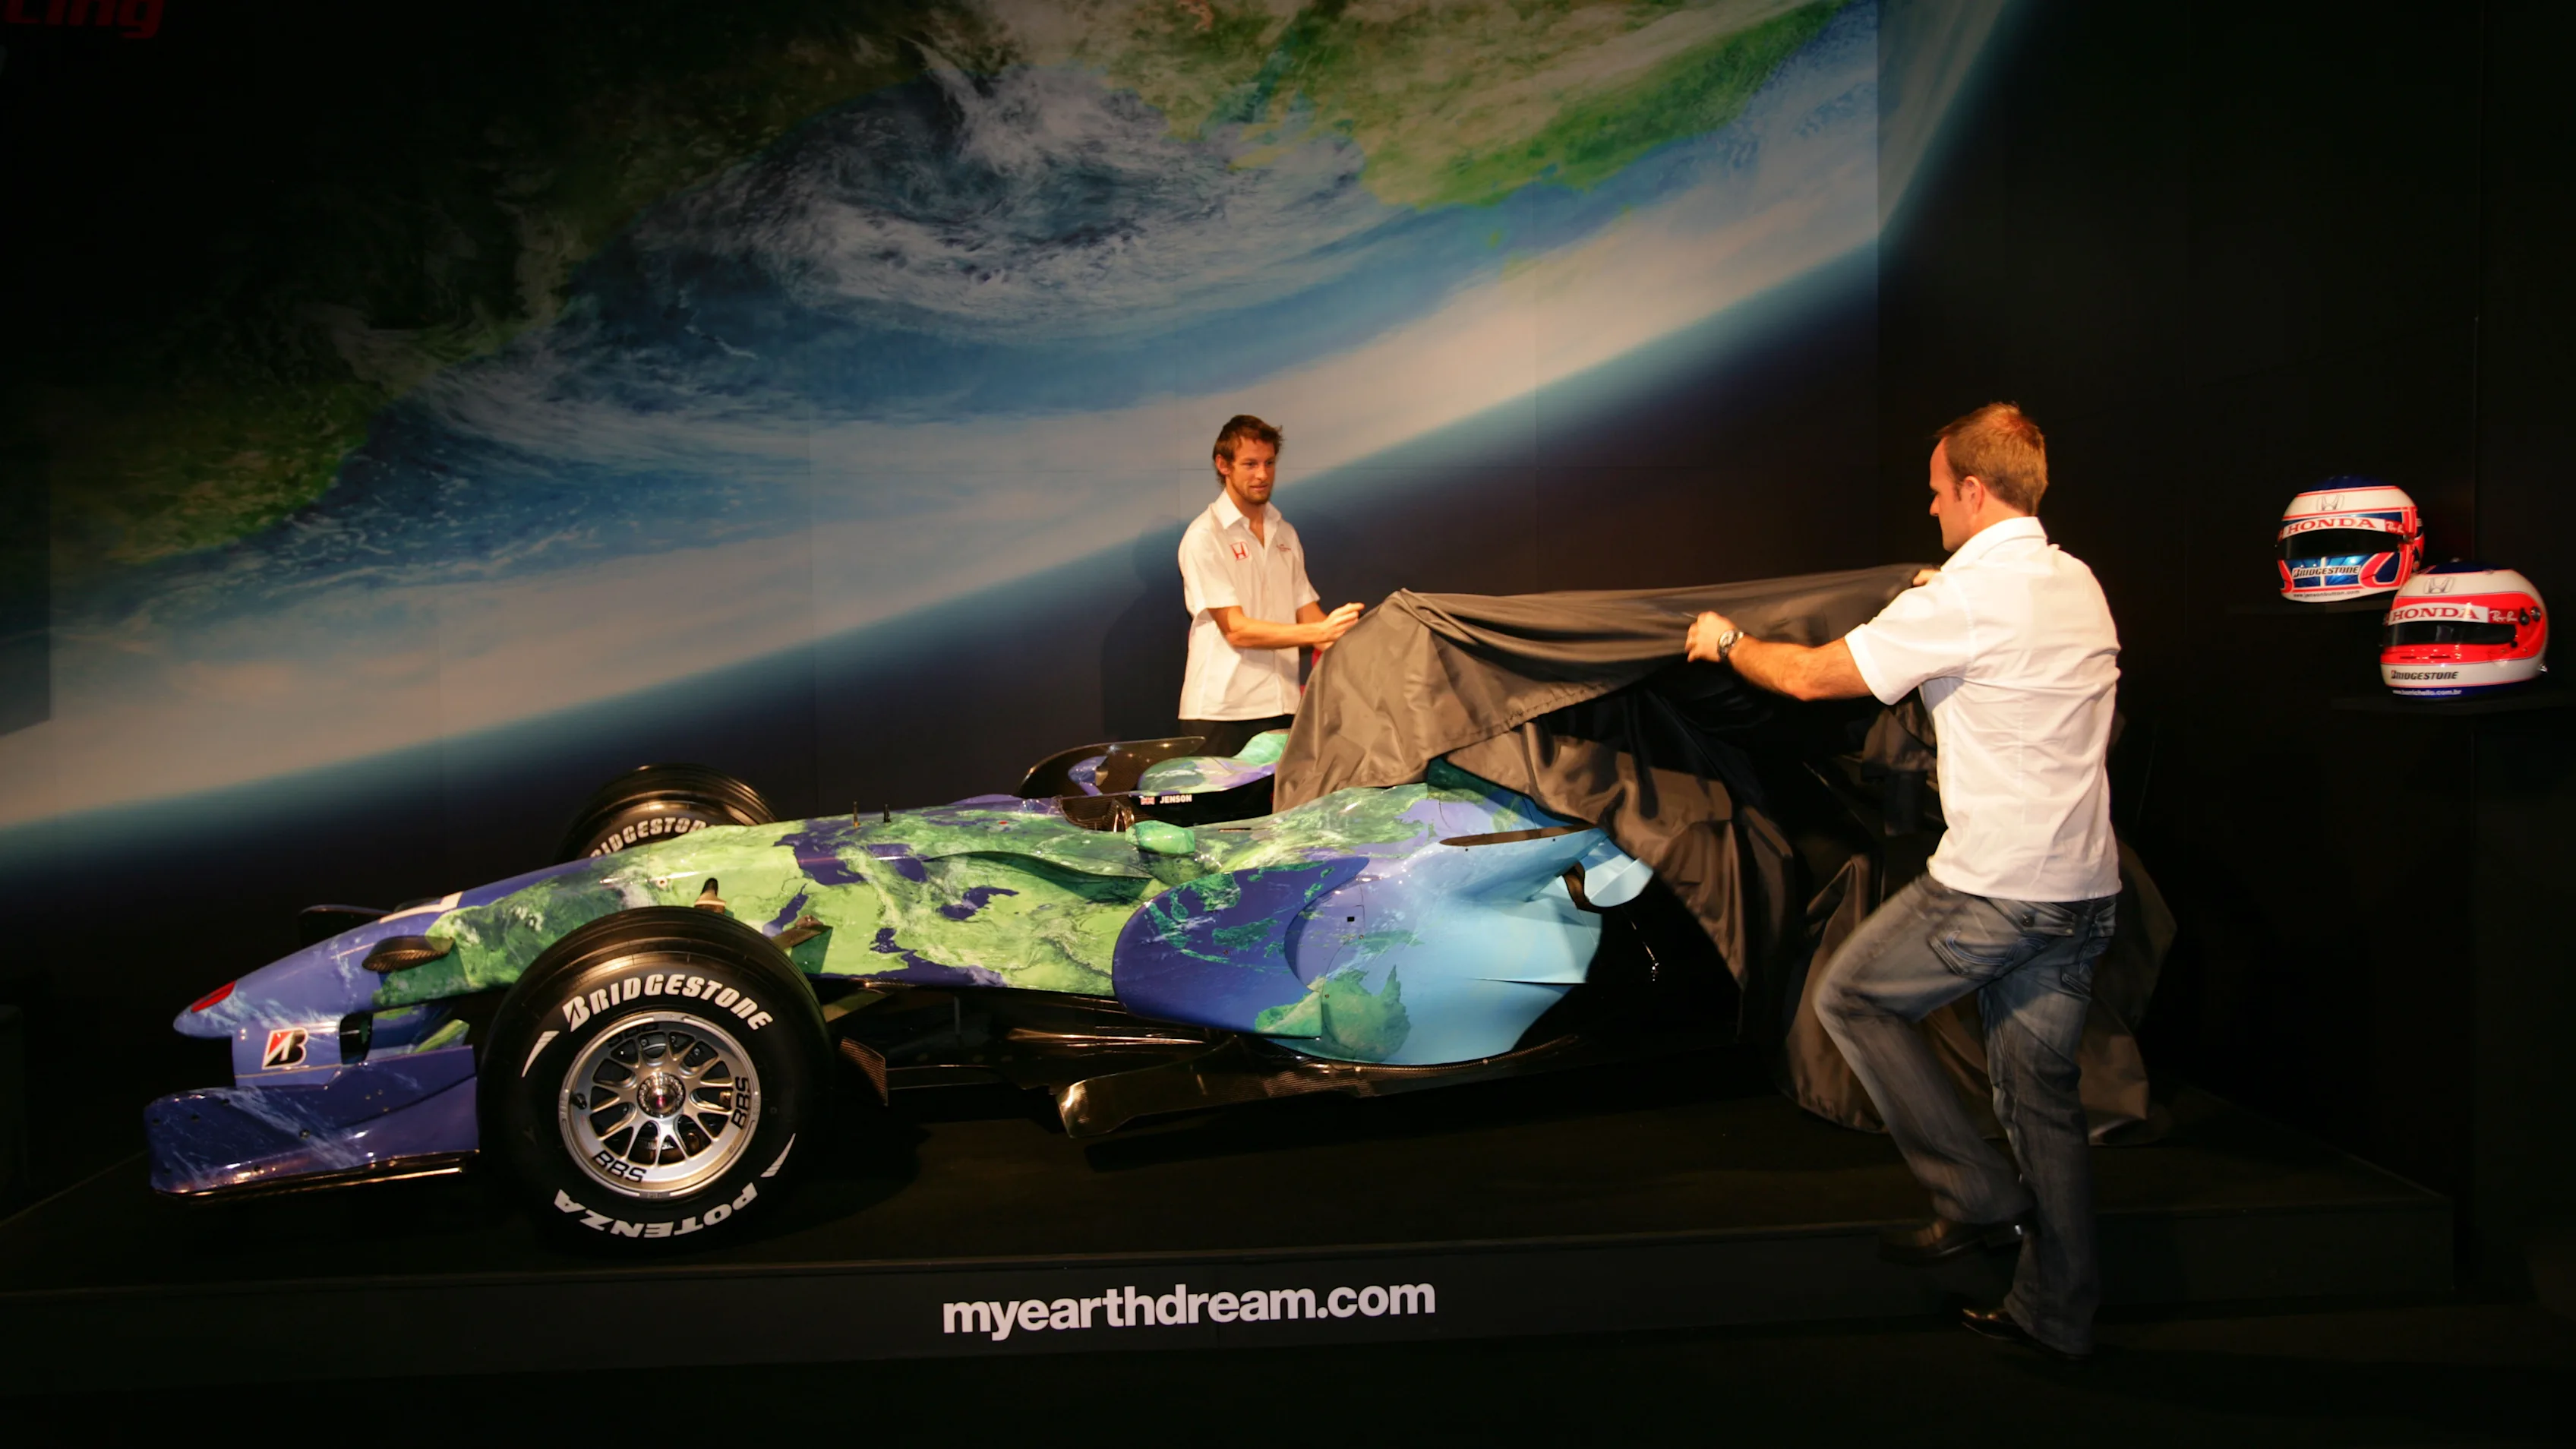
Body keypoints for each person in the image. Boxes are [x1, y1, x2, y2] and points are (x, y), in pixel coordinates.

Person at [1683, 402, 2120, 1362]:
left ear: (1970, 489)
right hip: (2083, 890)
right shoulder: (2073, 581)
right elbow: (1992, 642)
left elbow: (1805, 677)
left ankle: (1971, 1194)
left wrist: (1722, 642)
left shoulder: (1961, 601)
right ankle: (2056, 1312)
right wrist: (1935, 594)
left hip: (1995, 888)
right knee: (2036, 1098)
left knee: (1851, 997)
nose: (1928, 510)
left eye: (1933, 493)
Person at [1176, 415, 1363, 757]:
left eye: (1269, 463)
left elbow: (1309, 615)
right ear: (1224, 465)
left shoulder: (1285, 533)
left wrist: (1353, 634)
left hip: (1283, 707)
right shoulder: (1204, 536)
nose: (1262, 475)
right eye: (1250, 464)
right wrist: (1320, 632)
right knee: (1224, 813)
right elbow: (1236, 630)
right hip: (1221, 714)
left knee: (1283, 812)